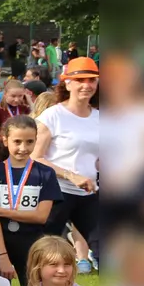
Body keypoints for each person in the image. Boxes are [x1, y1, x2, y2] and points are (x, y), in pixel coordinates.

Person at [34, 58, 100, 270]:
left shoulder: (100, 117)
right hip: (56, 193)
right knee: (43, 251)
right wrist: (72, 175)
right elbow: (35, 157)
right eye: (80, 80)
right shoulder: (52, 116)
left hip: (88, 193)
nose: (86, 85)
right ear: (67, 83)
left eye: (92, 80)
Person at [0, 116, 62, 285]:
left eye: (29, 142)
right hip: (0, 242)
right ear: (5, 141)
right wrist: (2, 255)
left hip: (33, 244)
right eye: (17, 142)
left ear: (36, 141)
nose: (23, 148)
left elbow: (41, 216)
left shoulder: (46, 173)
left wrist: (1, 211)